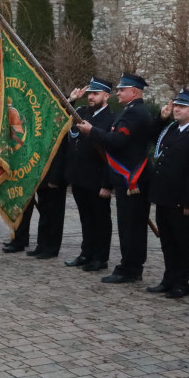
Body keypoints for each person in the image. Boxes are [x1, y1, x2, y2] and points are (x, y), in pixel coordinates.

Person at [75, 72, 153, 284]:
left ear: (134, 91)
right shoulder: (129, 110)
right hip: (125, 178)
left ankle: (130, 268)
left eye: (122, 89)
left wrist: (92, 131)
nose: (118, 92)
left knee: (131, 227)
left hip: (132, 179)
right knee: (127, 226)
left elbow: (117, 141)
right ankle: (129, 266)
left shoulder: (135, 112)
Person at [148, 89, 189, 299]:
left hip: (182, 199)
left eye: (181, 106)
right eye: (176, 105)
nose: (176, 109)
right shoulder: (171, 128)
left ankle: (182, 282)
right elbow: (151, 138)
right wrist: (161, 119)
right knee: (168, 241)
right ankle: (168, 278)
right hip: (164, 196)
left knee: (184, 242)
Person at [65, 78, 115, 271]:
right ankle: (86, 253)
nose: (91, 97)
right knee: (86, 218)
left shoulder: (111, 119)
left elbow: (112, 154)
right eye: (89, 94)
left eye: (95, 94)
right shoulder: (82, 112)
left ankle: (100, 258)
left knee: (100, 219)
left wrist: (107, 184)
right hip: (79, 176)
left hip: (97, 178)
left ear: (106, 96)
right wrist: (71, 100)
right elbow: (60, 117)